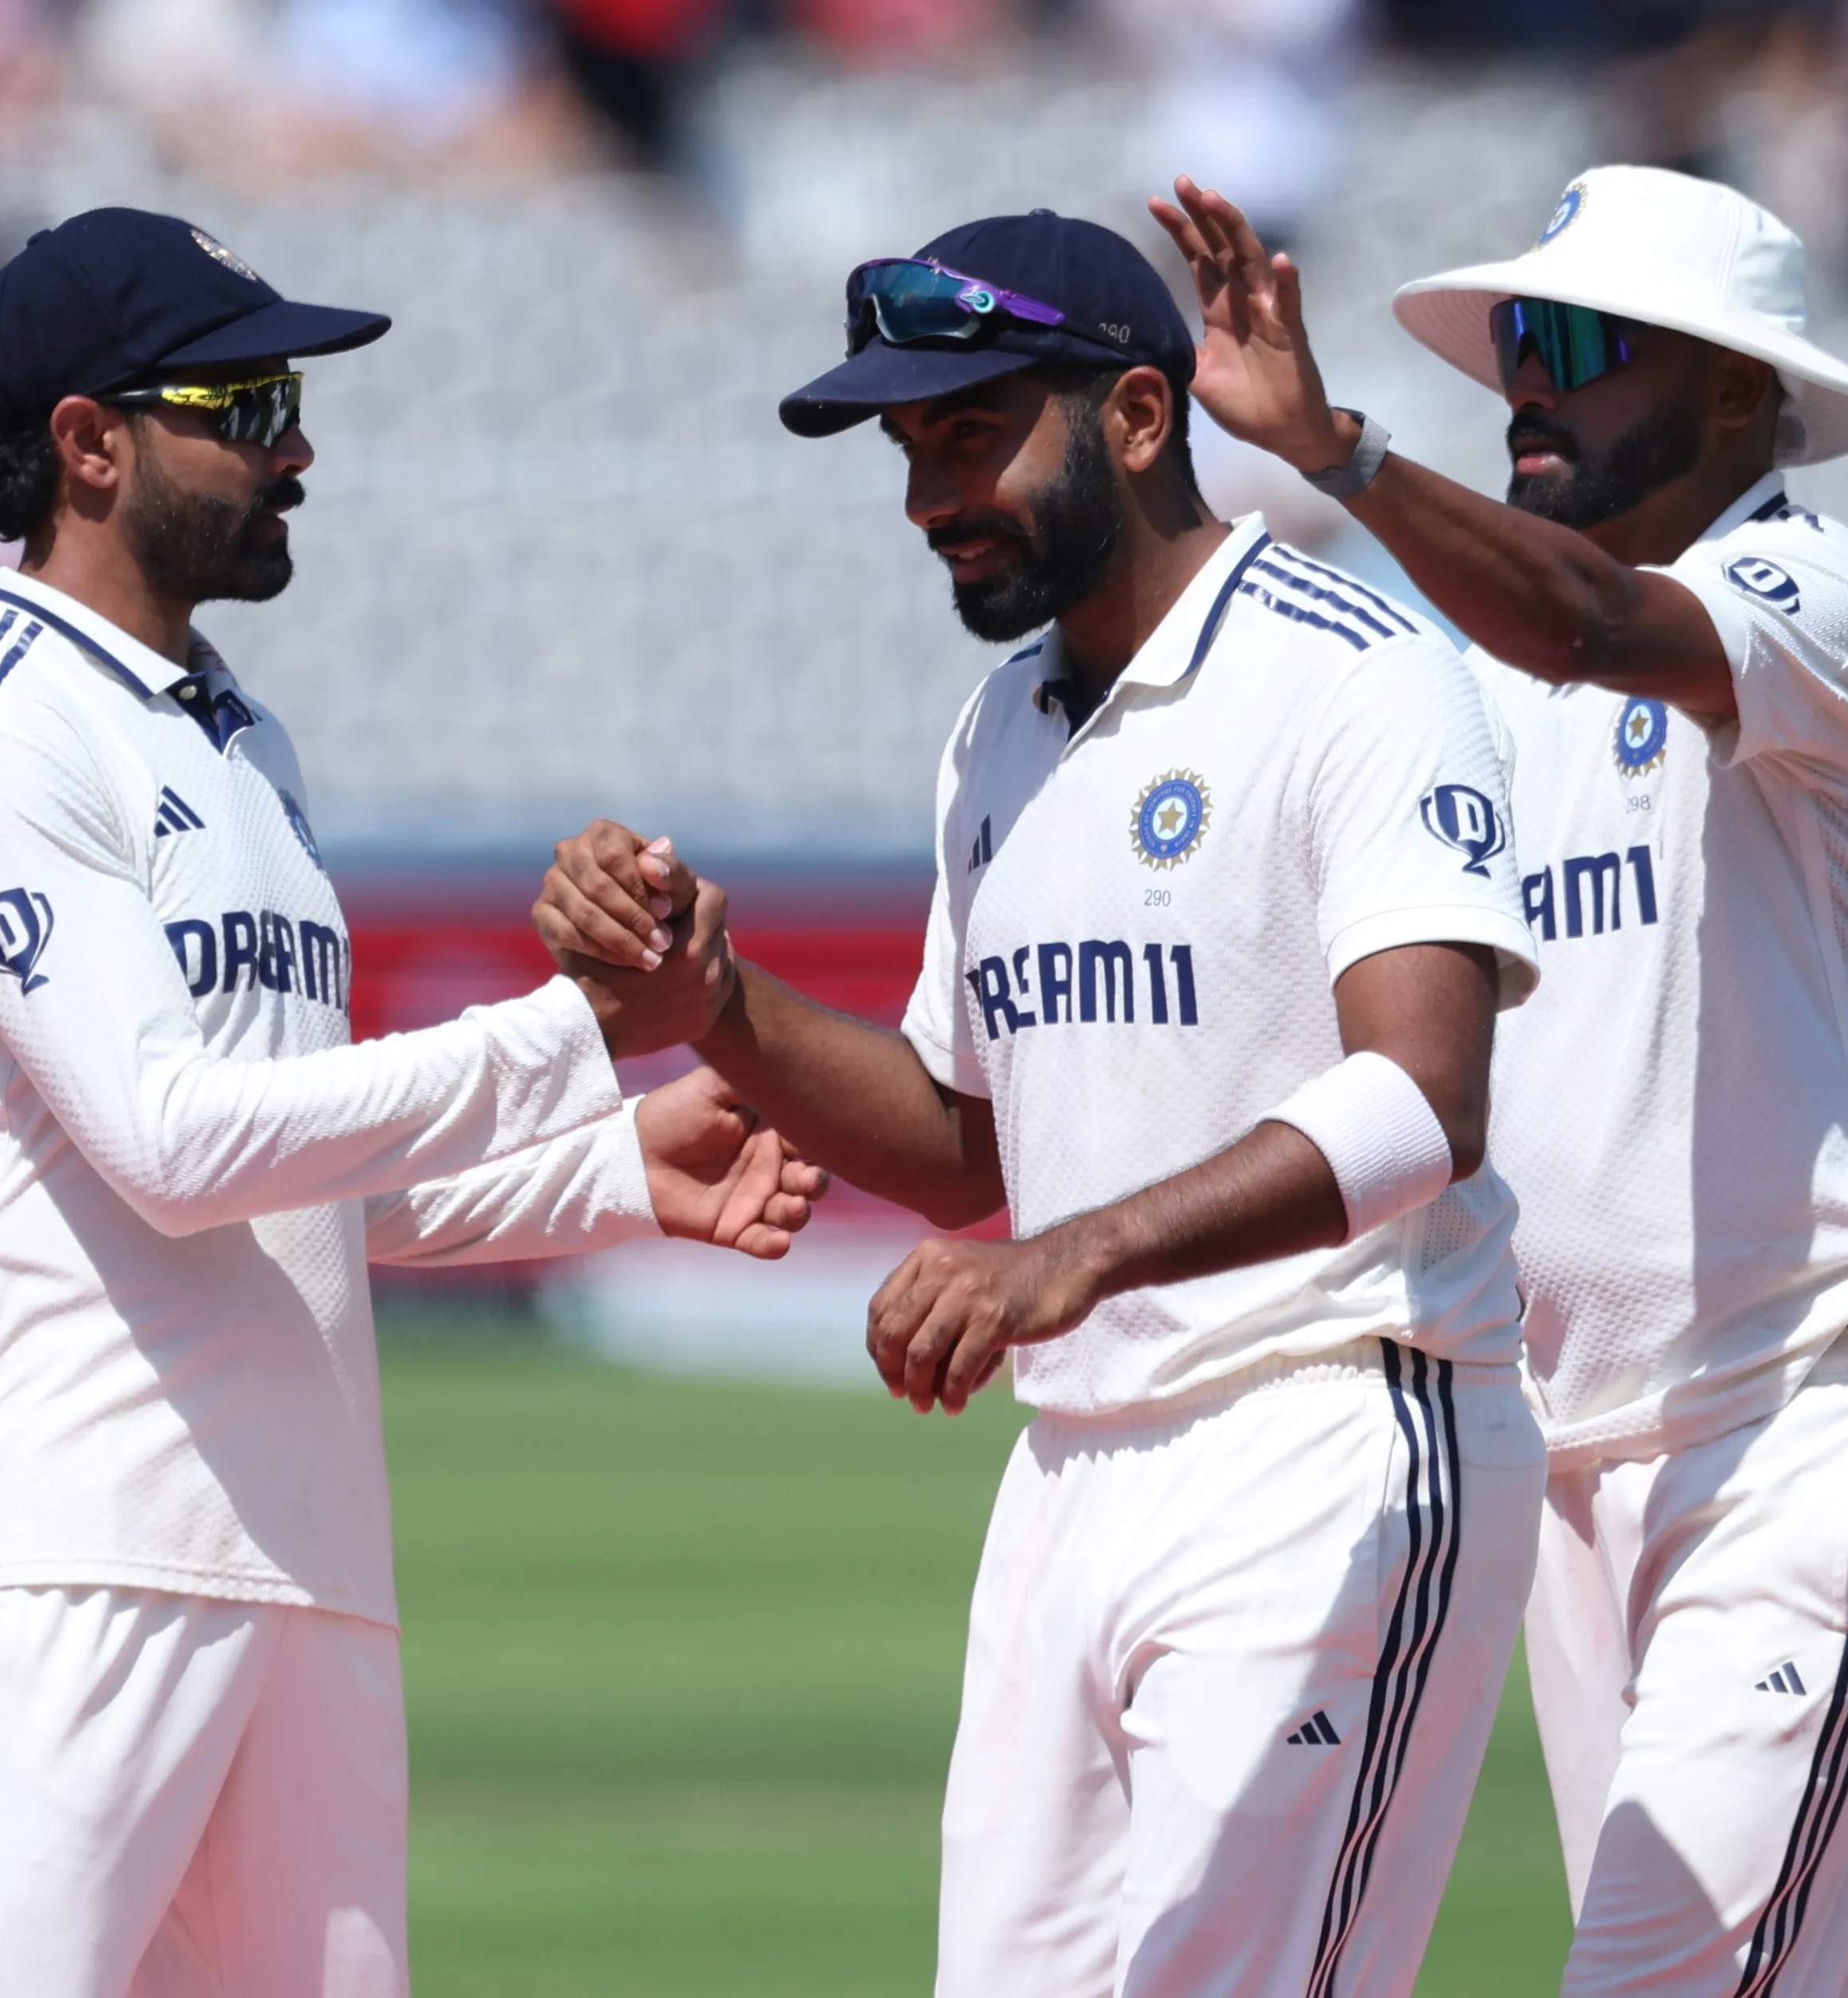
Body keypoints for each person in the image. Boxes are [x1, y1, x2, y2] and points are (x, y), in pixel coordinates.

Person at [535, 210, 1549, 1997]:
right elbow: (964, 1148)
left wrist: (1073, 1257)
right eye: (912, 450)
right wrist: (713, 995)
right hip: (1075, 1471)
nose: (930, 494)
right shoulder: (1000, 726)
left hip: (1326, 1435)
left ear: (1141, 417)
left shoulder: (1358, 672)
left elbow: (1427, 1100)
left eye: (972, 433)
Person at [0, 207, 824, 1998]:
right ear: (88, 442)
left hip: (300, 1558)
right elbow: (168, 1139)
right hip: (71, 1550)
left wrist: (607, 1172)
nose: (296, 445)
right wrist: (571, 1037)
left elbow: (285, 1176)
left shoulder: (237, 737)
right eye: (244, 399)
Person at [1155, 165, 1848, 1996]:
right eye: (1515, 346)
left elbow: (1599, 628)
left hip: (1813, 1410)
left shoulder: (1821, 596)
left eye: (1575, 346)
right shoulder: (1482, 681)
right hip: (1575, 1449)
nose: (1524, 382)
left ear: (1730, 393)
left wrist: (1350, 456)